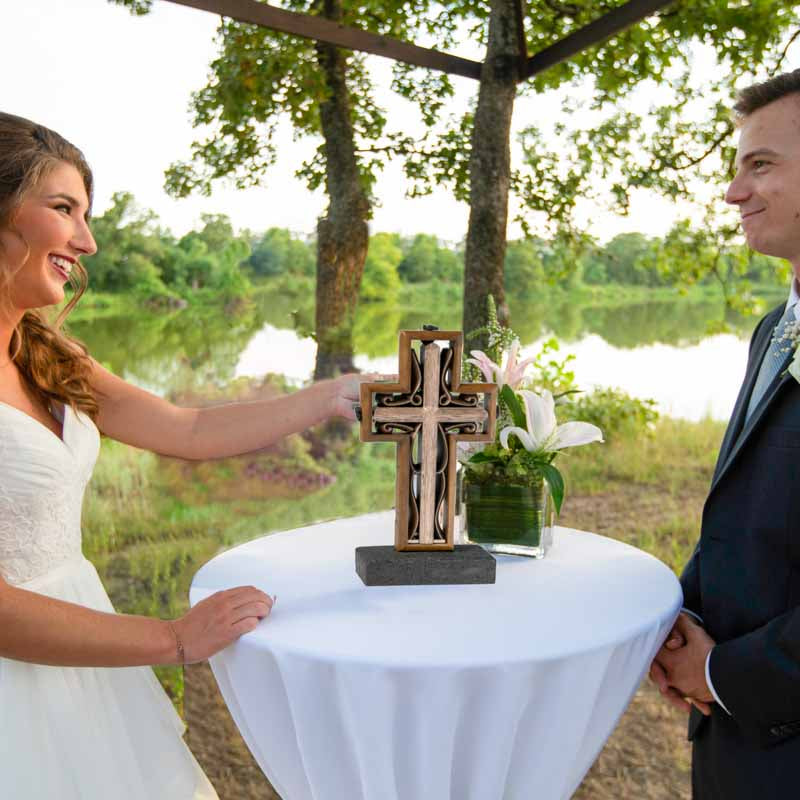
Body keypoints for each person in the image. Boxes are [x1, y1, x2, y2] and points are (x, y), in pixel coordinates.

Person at [0, 112, 375, 799]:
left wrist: (330, 395)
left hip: (82, 640)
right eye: (63, 209)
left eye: (86, 215)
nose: (86, 241)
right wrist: (173, 639)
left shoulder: (47, 353)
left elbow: (191, 429)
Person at [649, 69, 800, 798]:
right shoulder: (775, 330)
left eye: (760, 165)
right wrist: (677, 621)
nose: (734, 193)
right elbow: (744, 516)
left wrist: (719, 672)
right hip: (731, 746)